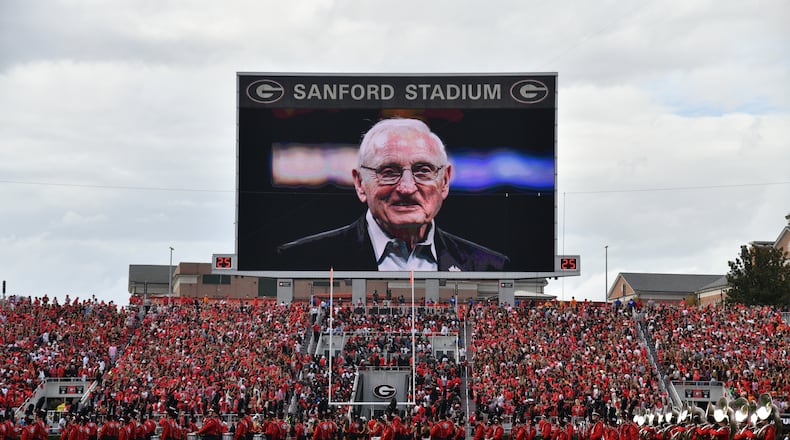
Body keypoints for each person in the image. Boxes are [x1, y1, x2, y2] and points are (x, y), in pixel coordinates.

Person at [277, 118, 509, 272]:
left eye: (423, 171)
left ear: (445, 181)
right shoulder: (298, 260)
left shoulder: (491, 266)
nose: (407, 188)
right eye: (388, 172)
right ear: (360, 183)